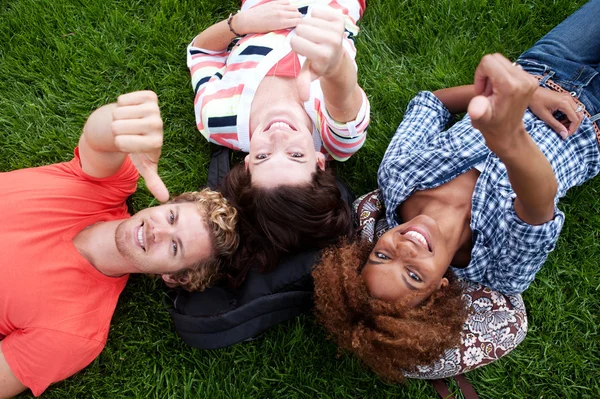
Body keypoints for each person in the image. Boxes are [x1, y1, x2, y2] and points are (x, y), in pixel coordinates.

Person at [313, 0, 600, 381]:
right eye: (414, 275)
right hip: (591, 127)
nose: (405, 249)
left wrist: (519, 95)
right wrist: (509, 139)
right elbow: (539, 203)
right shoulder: (499, 269)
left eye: (383, 255)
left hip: (540, 68)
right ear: (441, 289)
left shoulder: (398, 177)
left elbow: (431, 103)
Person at [0, 91, 239, 398]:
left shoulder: (75, 331)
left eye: (175, 247)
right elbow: (99, 138)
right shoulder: (108, 185)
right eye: (170, 217)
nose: (158, 232)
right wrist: (121, 122)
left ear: (174, 276)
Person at [187, 0, 370, 282]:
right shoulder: (336, 139)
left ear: (247, 164)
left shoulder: (218, 119)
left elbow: (201, 50)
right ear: (319, 162)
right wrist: (335, 67)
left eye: (263, 157)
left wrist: (240, 23)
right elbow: (344, 93)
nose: (278, 135)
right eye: (296, 154)